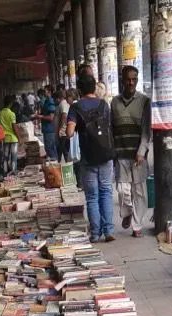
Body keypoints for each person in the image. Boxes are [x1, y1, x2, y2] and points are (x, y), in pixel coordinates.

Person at [67, 72, 116, 243]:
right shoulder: (104, 104)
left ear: (79, 89)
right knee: (106, 192)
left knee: (92, 196)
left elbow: (69, 132)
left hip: (88, 157)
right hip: (106, 154)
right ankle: (109, 230)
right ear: (94, 87)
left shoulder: (76, 107)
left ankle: (95, 233)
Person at [111, 64, 150, 236]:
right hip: (120, 152)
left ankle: (137, 225)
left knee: (139, 191)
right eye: (128, 79)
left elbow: (146, 130)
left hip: (137, 155)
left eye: (134, 79)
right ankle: (126, 212)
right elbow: (111, 128)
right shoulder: (114, 102)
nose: (131, 83)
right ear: (122, 80)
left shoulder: (144, 101)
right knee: (122, 190)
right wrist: (113, 150)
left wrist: (142, 151)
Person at [34, 84, 58, 159]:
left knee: (50, 148)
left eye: (45, 91)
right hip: (46, 128)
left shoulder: (50, 101)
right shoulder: (46, 101)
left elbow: (51, 117)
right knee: (48, 148)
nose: (44, 93)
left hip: (50, 129)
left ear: (49, 91)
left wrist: (40, 116)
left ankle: (54, 163)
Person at [0, 95, 18, 175]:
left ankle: (5, 171)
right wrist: (19, 137)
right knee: (13, 156)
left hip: (4, 138)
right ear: (10, 104)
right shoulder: (12, 114)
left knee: (5, 156)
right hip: (13, 138)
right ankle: (13, 171)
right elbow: (14, 127)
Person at [56, 86, 71, 160]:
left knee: (61, 148)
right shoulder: (65, 103)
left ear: (58, 98)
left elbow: (64, 116)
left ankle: (59, 161)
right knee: (64, 148)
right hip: (65, 130)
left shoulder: (63, 103)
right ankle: (66, 161)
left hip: (63, 131)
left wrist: (60, 129)